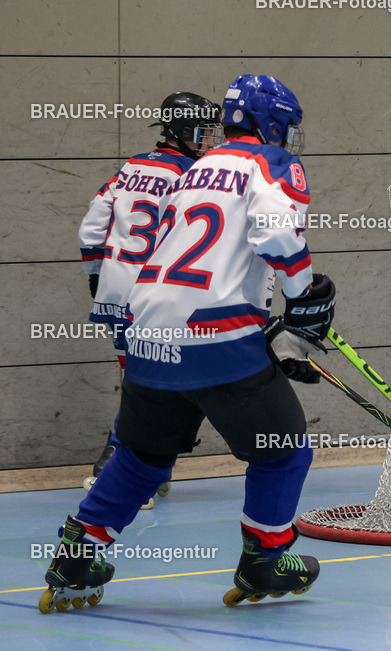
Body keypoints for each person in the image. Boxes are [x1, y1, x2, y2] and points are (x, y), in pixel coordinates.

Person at [40, 74, 334, 613]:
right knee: (283, 448)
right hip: (215, 335)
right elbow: (274, 233)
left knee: (142, 456)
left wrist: (265, 322)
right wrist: (305, 297)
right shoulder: (273, 162)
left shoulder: (192, 168)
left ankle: (76, 558)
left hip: (146, 331)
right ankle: (265, 559)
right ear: (272, 124)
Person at [78, 92, 221, 507]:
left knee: (141, 380)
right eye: (202, 131)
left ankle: (148, 468)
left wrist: (97, 276)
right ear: (180, 130)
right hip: (159, 297)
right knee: (154, 386)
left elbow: (91, 229)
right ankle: (118, 469)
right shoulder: (194, 174)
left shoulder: (131, 166)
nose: (209, 139)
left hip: (115, 292)